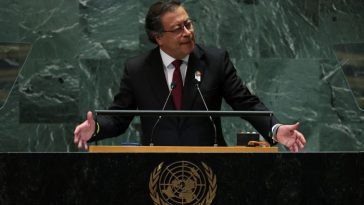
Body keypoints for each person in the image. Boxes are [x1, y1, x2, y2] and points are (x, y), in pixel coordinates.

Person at [74, 0, 306, 152]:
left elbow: (245, 103)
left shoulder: (214, 60)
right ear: (158, 37)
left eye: (188, 24)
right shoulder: (138, 69)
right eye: (177, 29)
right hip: (155, 170)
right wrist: (95, 129)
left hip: (211, 165)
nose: (187, 33)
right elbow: (118, 118)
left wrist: (275, 129)